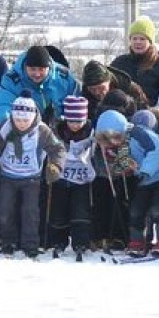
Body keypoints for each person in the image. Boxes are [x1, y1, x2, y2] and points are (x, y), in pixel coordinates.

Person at [94, 108, 159, 257]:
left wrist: (145, 170)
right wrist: (121, 168)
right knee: (136, 209)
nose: (112, 141)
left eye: (113, 136)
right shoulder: (121, 144)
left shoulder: (140, 133)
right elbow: (124, 162)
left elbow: (155, 150)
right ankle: (137, 241)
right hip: (144, 178)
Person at [0, 91, 66, 257]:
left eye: (25, 120)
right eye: (18, 120)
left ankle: (30, 244)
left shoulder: (42, 130)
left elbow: (58, 148)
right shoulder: (5, 127)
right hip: (7, 175)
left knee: (30, 212)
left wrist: (56, 166)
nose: (21, 124)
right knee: (5, 210)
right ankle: (8, 241)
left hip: (32, 178)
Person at [48, 95, 95, 256]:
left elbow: (96, 151)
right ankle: (58, 241)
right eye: (71, 121)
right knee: (59, 210)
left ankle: (80, 242)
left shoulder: (91, 132)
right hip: (61, 178)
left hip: (81, 180)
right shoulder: (58, 131)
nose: (75, 125)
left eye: (79, 122)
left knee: (80, 211)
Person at [0, 45, 80, 124]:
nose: (37, 74)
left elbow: (76, 104)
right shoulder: (11, 81)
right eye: (32, 69)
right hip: (25, 128)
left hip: (60, 129)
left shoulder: (65, 78)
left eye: (41, 69)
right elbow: (4, 107)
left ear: (49, 67)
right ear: (25, 67)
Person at [110, 16, 159, 106]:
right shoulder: (119, 63)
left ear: (150, 41)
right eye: (134, 38)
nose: (138, 42)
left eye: (142, 39)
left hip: (154, 113)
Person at [81, 59, 148, 122]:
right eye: (92, 89)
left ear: (109, 81)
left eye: (101, 88)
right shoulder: (84, 96)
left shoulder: (130, 89)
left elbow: (144, 113)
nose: (97, 92)